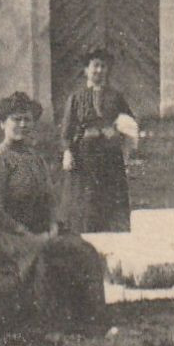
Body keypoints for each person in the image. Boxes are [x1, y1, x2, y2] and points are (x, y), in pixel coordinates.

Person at [0, 92, 106, 330]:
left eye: (27, 119)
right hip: (8, 235)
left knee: (85, 251)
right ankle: (50, 323)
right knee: (47, 254)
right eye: (16, 119)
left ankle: (93, 320)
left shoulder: (35, 159)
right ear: (2, 123)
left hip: (42, 228)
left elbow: (50, 201)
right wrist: (30, 236)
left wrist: (53, 226)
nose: (23, 125)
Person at [60, 50, 133, 233]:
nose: (99, 70)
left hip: (110, 157)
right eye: (95, 66)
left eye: (103, 66)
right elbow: (67, 128)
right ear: (86, 70)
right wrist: (68, 152)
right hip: (85, 157)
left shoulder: (116, 97)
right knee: (85, 200)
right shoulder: (76, 98)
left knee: (110, 199)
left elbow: (129, 123)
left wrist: (122, 142)